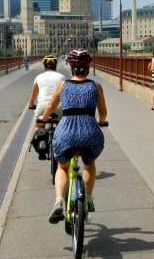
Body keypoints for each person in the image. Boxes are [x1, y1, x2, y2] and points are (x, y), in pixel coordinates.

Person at [40, 48, 108, 224]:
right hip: (89, 133)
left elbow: (50, 108)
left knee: (62, 167)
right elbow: (103, 113)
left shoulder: (63, 86)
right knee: (89, 163)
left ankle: (58, 201)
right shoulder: (95, 86)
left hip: (66, 133)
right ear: (88, 68)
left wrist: (43, 120)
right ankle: (89, 198)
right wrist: (101, 121)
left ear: (71, 67)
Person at [27, 54, 66, 159]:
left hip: (43, 106)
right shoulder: (61, 77)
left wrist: (31, 105)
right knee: (62, 125)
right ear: (55, 65)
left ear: (44, 66)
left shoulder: (38, 77)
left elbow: (33, 95)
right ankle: (62, 144)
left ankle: (41, 148)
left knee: (39, 126)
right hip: (58, 106)